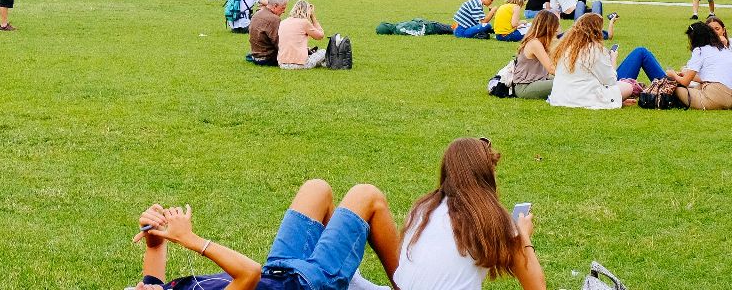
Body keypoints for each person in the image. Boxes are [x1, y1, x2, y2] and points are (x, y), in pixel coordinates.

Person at [127, 178, 404, 290]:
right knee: (367, 196)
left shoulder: (160, 289)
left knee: (316, 189)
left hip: (280, 271)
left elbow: (153, 253)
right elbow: (249, 273)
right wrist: (191, 239)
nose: (138, 288)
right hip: (302, 286)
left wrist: (154, 236)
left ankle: (344, 280)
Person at [393, 137, 546, 290]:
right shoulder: (491, 218)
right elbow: (537, 287)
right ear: (486, 174)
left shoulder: (422, 208)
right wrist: (523, 235)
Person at [547, 13, 656, 109]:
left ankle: (663, 85)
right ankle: (666, 86)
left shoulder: (565, 48)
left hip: (561, 97)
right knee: (629, 85)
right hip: (584, 97)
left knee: (628, 80)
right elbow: (610, 81)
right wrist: (613, 58)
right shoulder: (594, 50)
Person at [664, 21, 732, 109]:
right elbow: (711, 78)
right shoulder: (723, 48)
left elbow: (685, 82)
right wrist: (686, 75)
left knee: (676, 89)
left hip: (716, 100)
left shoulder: (700, 50)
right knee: (698, 86)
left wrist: (672, 74)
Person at [508, 11, 560, 100]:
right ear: (548, 27)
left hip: (537, 80)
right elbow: (551, 69)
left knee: (567, 81)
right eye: (556, 25)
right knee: (565, 82)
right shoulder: (535, 43)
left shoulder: (541, 42)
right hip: (524, 87)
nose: (558, 29)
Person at [278, 0, 328, 69]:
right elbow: (320, 36)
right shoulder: (304, 22)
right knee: (323, 52)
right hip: (301, 64)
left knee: (309, 50)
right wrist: (313, 17)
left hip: (282, 63)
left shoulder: (283, 22)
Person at [248, 0, 288, 65]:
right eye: (283, 8)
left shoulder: (257, 14)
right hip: (267, 58)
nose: (284, 11)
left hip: (255, 56)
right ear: (275, 6)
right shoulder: (274, 19)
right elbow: (278, 43)